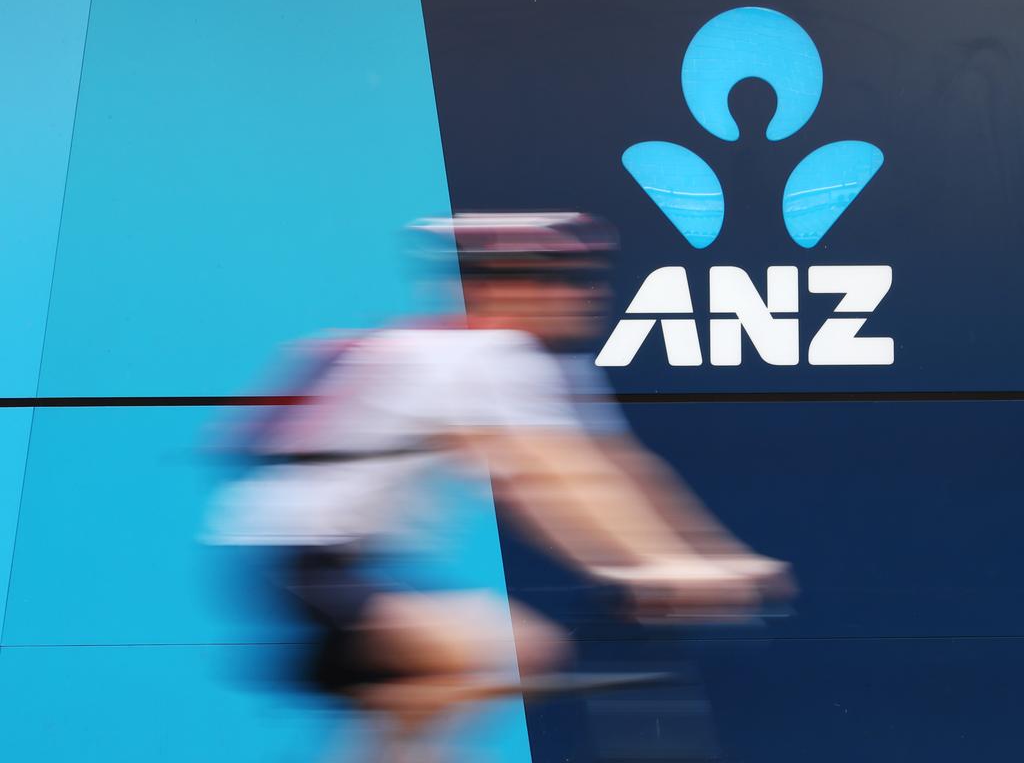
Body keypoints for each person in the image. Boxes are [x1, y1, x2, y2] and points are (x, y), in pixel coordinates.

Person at [206, 212, 792, 761]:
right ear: (498, 289)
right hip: (304, 560)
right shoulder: (478, 353)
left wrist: (703, 557)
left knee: (467, 669)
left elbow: (616, 468)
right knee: (503, 650)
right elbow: (547, 476)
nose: (582, 294)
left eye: (583, 278)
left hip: (311, 557)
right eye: (557, 279)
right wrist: (647, 566)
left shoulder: (484, 355)